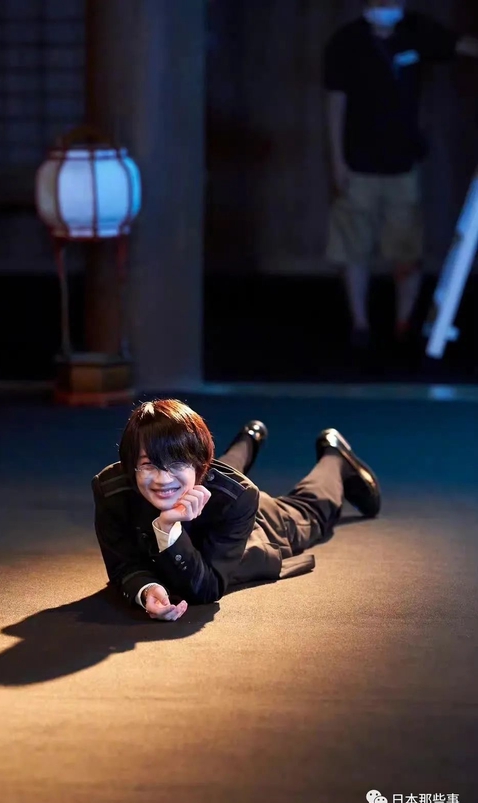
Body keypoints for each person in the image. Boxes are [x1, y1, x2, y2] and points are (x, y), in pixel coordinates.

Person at [92, 399, 381, 621]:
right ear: (131, 464)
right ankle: (249, 437)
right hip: (210, 486)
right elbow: (122, 565)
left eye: (176, 463)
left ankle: (335, 457)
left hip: (255, 524)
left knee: (309, 512)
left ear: (199, 466)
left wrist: (168, 529)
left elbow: (207, 587)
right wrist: (145, 590)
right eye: (148, 465)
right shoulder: (110, 490)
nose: (162, 479)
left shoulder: (237, 498)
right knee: (211, 474)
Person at [323, 0, 478, 350]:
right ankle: (360, 324)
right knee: (354, 246)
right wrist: (337, 161)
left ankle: (404, 323)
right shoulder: (346, 42)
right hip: (358, 163)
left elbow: (459, 44)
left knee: (406, 248)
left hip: (403, 164)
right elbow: (335, 103)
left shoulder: (415, 30)